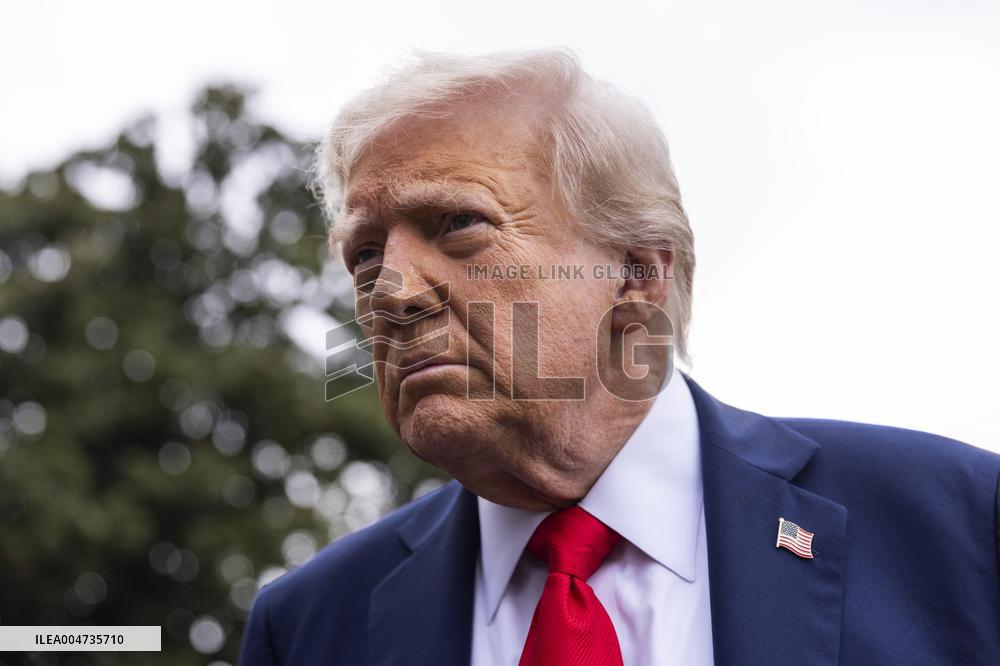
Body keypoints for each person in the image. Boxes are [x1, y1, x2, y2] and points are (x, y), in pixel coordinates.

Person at [237, 48, 1000, 665]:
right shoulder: (308, 626)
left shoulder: (958, 522)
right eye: (366, 254)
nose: (392, 293)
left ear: (638, 271)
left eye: (460, 224)